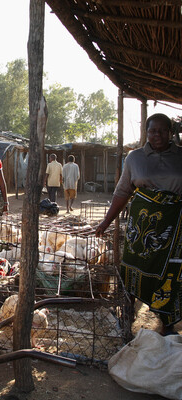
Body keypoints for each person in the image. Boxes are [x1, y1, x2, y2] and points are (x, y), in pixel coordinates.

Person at [95, 113, 182, 337]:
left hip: (173, 227)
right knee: (132, 268)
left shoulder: (181, 156)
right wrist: (106, 221)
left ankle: (167, 322)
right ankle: (127, 316)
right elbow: (123, 191)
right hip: (142, 225)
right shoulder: (134, 158)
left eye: (163, 131)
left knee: (170, 273)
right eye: (153, 131)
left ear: (171, 132)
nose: (158, 135)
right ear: (146, 132)